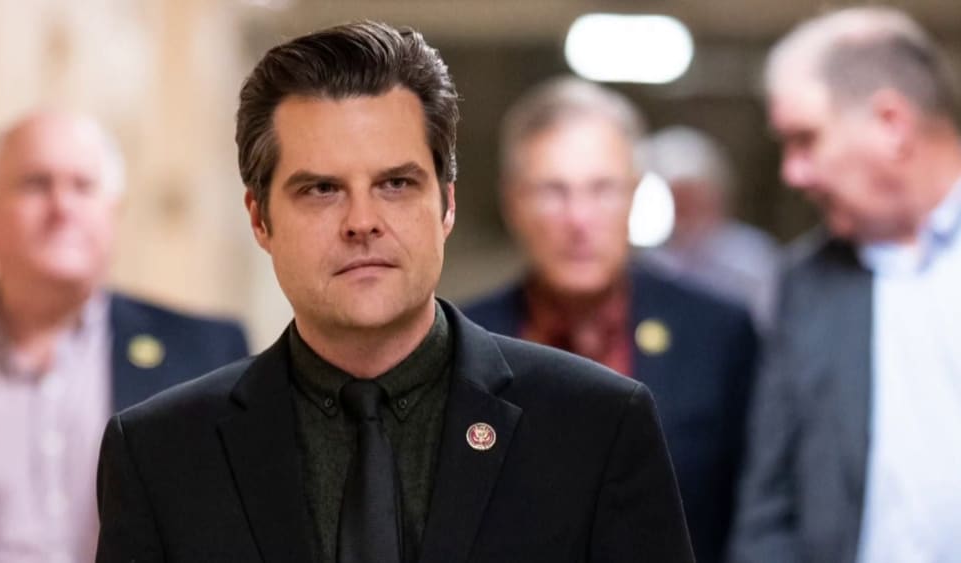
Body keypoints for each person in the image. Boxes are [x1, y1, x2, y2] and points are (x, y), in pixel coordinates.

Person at [94, 21, 693, 563]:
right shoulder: (161, 454)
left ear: (446, 204)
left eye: (396, 184)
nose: (362, 221)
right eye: (322, 189)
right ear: (259, 218)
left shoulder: (596, 427)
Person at [463, 77, 758, 563]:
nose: (579, 220)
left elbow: (753, 516)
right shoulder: (463, 345)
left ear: (635, 196)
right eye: (552, 191)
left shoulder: (718, 335)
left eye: (602, 189)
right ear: (512, 202)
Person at [0, 110, 249, 563]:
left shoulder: (209, 355)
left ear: (114, 211)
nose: (62, 207)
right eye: (35, 184)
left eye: (83, 186)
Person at [729, 7, 961, 563]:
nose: (793, 173)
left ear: (891, 124)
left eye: (805, 140)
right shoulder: (805, 286)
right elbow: (769, 509)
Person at [639, 125, 780, 333]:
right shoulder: (647, 263)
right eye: (676, 199)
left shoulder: (752, 258)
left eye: (692, 197)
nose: (684, 210)